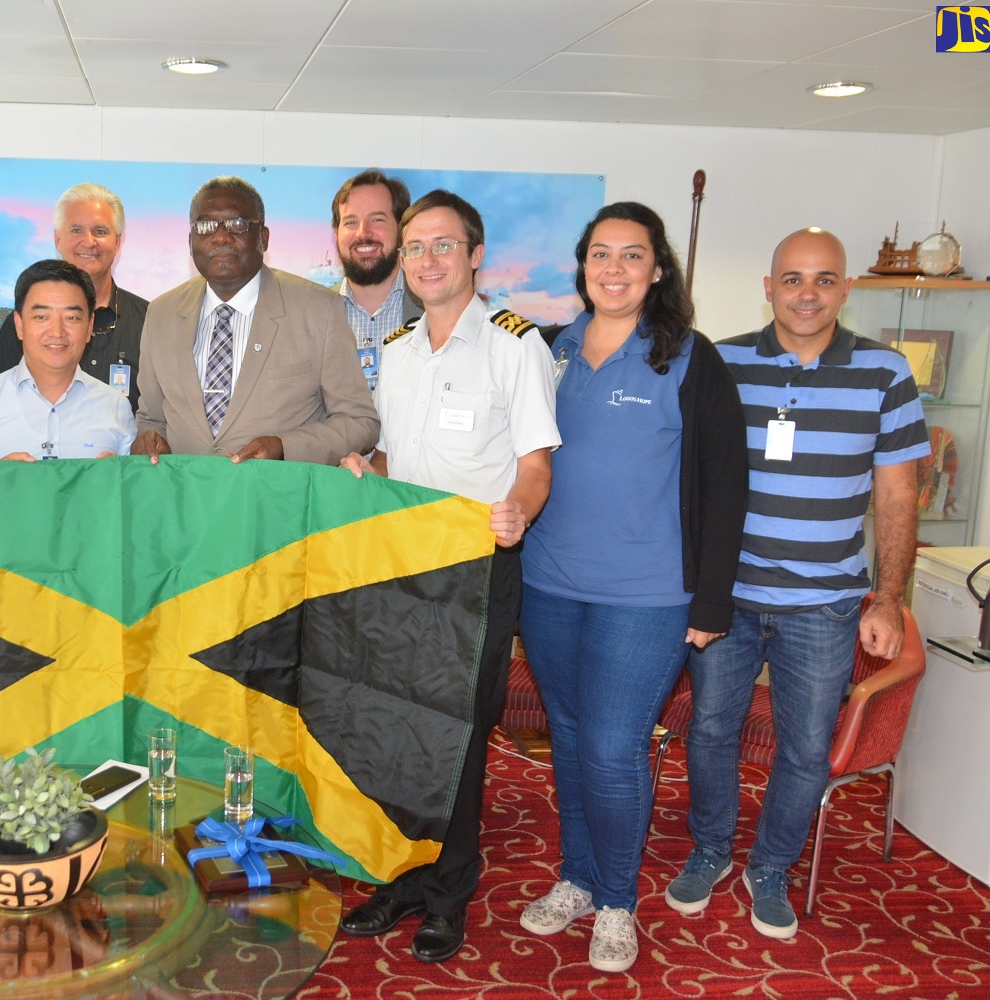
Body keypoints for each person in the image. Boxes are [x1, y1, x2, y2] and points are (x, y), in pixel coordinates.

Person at [664, 228, 929, 938]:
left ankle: (770, 866)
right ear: (768, 285)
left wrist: (891, 598)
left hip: (827, 603)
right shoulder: (725, 362)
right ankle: (712, 849)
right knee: (712, 729)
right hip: (730, 595)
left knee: (806, 749)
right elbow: (688, 477)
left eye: (822, 280)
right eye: (792, 279)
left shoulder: (884, 371)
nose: (806, 294)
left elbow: (899, 496)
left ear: (845, 289)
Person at [515, 202, 749, 973]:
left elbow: (725, 484)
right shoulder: (551, 349)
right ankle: (576, 879)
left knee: (614, 748)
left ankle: (617, 899)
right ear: (583, 266)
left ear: (657, 270)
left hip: (647, 596)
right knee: (572, 740)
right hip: (549, 584)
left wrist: (712, 601)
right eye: (600, 255)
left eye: (632, 256)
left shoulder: (687, 355)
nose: (614, 270)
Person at [336, 190, 559, 962]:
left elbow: (536, 466)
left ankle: (449, 891)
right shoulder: (396, 351)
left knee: (459, 737)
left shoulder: (514, 345)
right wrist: (371, 469)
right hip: (401, 572)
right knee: (397, 725)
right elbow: (403, 458)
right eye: (415, 248)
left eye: (443, 246)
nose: (427, 260)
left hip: (475, 571)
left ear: (474, 256)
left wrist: (518, 512)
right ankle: (400, 875)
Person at [132, 176, 378, 464]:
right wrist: (149, 438)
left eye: (237, 224)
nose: (221, 237)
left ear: (263, 237)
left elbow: (360, 422)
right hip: (186, 500)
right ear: (190, 241)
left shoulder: (320, 310)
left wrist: (286, 447)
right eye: (206, 226)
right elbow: (152, 419)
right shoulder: (161, 313)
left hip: (277, 500)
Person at [0, 259, 135, 461]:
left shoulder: (116, 407)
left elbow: (130, 490)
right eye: (41, 317)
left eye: (72, 318)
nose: (57, 332)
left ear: (89, 327)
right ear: (19, 325)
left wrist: (114, 479)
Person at [0, 183, 149, 410]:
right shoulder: (23, 325)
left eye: (100, 231)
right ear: (58, 239)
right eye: (76, 230)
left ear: (117, 242)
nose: (88, 241)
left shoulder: (149, 322)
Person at [330, 169, 424, 393]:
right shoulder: (311, 313)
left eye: (377, 219)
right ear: (336, 234)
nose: (363, 233)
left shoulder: (433, 312)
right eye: (351, 222)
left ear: (402, 230)